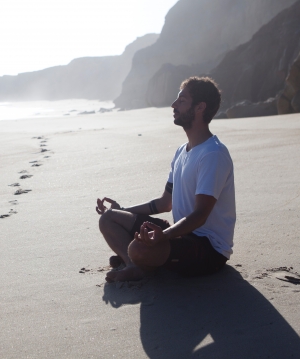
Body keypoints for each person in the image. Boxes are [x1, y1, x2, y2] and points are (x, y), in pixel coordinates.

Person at [96, 77, 235, 282]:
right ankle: (135, 264)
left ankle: (137, 261)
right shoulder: (182, 151)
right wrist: (123, 210)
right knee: (109, 218)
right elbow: (164, 203)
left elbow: (200, 215)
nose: (174, 105)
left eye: (181, 100)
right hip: (180, 235)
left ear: (199, 107)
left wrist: (165, 236)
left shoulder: (213, 154)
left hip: (208, 249)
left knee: (138, 247)